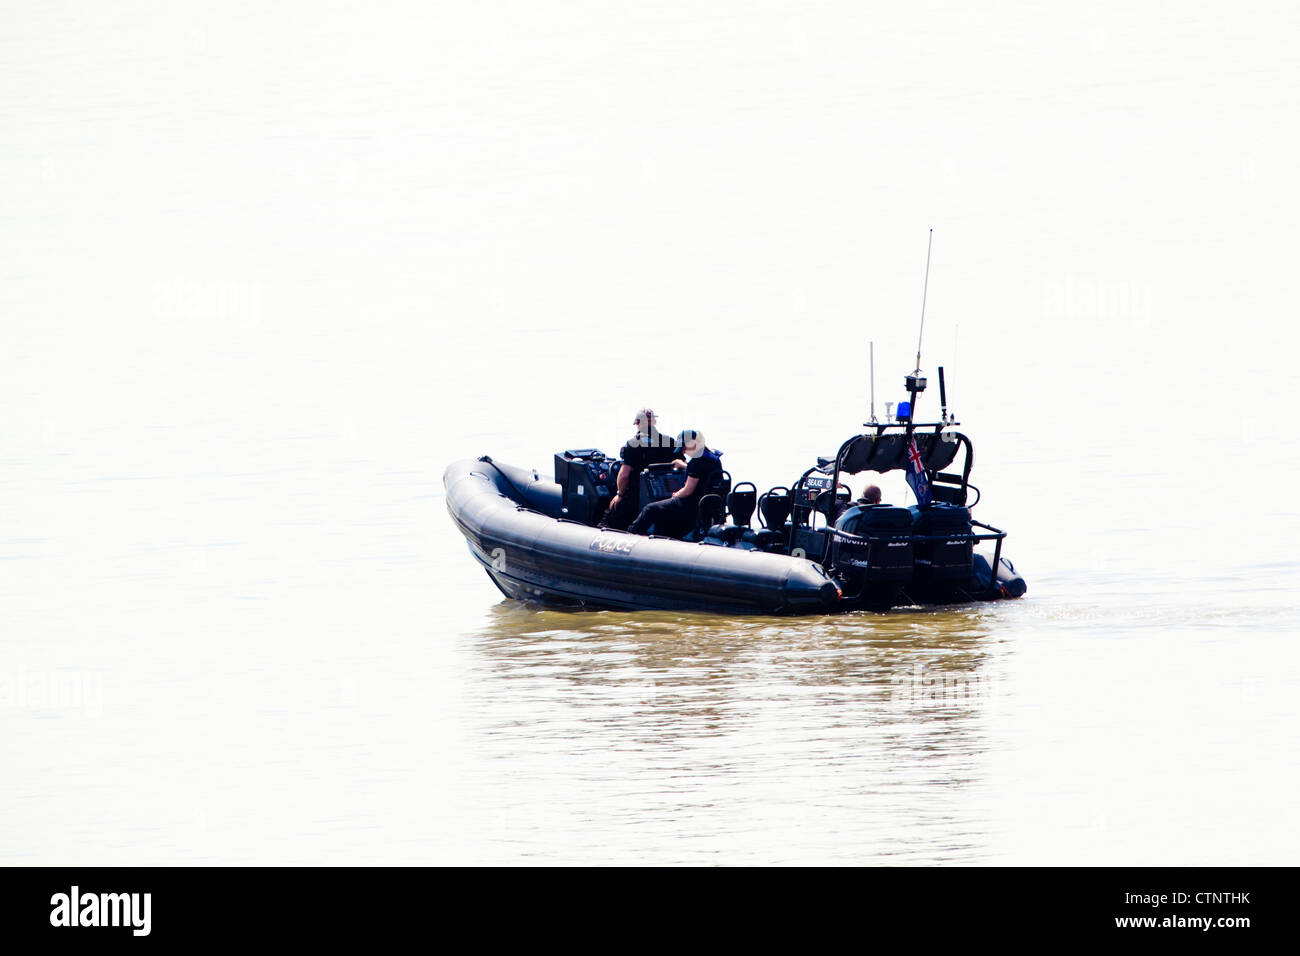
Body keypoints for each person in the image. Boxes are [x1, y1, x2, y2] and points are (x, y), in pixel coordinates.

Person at [627, 429, 722, 538]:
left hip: (690, 506)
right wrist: (684, 465)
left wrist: (675, 495)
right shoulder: (713, 458)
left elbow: (687, 491)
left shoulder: (696, 462)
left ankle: (630, 536)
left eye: (684, 448)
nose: (684, 452)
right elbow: (702, 472)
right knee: (663, 512)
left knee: (650, 509)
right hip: (707, 505)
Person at [600, 408, 678, 530]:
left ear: (637, 423)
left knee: (613, 510)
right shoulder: (670, 442)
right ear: (654, 422)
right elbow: (681, 466)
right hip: (665, 494)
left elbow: (624, 475)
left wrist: (619, 494)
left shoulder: (633, 444)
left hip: (636, 496)